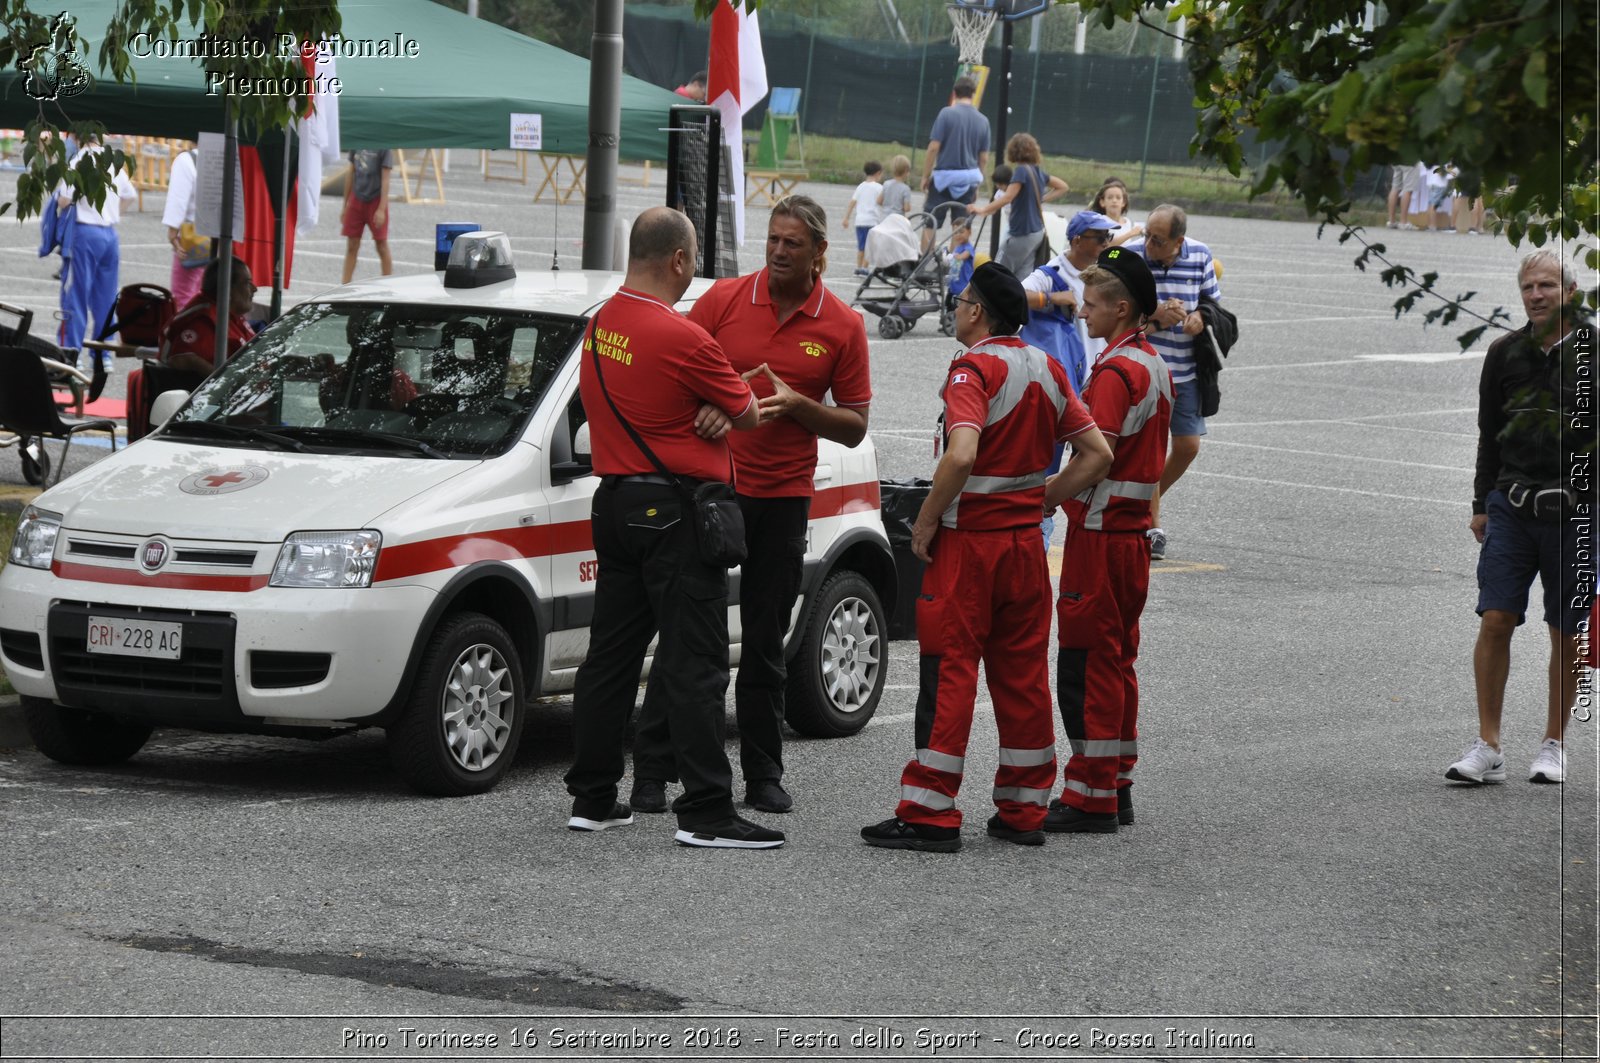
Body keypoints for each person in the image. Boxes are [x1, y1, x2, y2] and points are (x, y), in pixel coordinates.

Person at [632, 194, 872, 816]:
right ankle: (654, 772)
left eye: (793, 243)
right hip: (712, 493)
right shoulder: (725, 300)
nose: (779, 251)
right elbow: (669, 368)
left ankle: (764, 774)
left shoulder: (842, 326)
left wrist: (800, 407)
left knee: (766, 643)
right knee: (689, 640)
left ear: (820, 252)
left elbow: (854, 427)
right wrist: (711, 405)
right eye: (773, 239)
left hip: (783, 501)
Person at [860, 263, 1111, 853]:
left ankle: (930, 808)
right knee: (1023, 677)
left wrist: (925, 520)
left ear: (977, 313)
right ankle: (1024, 808)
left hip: (971, 548)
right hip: (1026, 545)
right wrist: (1038, 499)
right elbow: (1096, 453)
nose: (956, 306)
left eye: (961, 299)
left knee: (949, 670)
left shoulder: (973, 369)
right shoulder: (1048, 368)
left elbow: (962, 453)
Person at [563, 206, 783, 850]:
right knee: (696, 662)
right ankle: (709, 811)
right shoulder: (682, 335)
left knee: (610, 656)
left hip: (615, 502)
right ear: (680, 261)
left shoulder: (602, 323)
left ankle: (594, 796)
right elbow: (744, 414)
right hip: (676, 512)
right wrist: (722, 399)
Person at [1447, 249, 1587, 787]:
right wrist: (1482, 503)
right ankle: (1488, 745)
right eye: (1528, 286)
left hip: (1578, 514)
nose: (1536, 295)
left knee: (1566, 631)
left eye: (1547, 285)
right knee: (1496, 619)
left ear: (1569, 291)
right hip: (1512, 506)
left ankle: (1553, 744)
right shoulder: (1504, 353)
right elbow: (1490, 433)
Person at [1044, 246, 1171, 834]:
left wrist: (1042, 497)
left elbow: (1096, 457)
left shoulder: (1117, 373)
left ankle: (1090, 794)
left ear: (1122, 309)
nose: (1083, 313)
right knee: (1118, 660)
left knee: (1088, 661)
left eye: (1093, 304)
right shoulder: (1153, 363)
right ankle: (1115, 779)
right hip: (1131, 534)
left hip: (1098, 534)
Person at [1124, 204, 1221, 561]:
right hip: (1144, 368)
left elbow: (1213, 303)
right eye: (1147, 234)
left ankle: (1145, 499)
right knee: (1147, 450)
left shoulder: (1200, 254)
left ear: (1179, 241)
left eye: (1158, 240)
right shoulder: (1132, 257)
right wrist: (1158, 317)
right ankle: (1152, 525)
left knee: (1188, 446)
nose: (1149, 243)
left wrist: (1199, 316)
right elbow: (1117, 312)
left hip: (1186, 369)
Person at [55, 137, 136, 373]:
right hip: (109, 233)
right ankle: (103, 354)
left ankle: (72, 351)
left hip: (84, 231)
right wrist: (112, 214)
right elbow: (129, 195)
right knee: (106, 297)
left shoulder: (79, 160)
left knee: (76, 295)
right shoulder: (111, 159)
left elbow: (64, 199)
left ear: (76, 136)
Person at [1020, 208, 1120, 396]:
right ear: (1077, 241)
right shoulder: (1053, 272)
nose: (1106, 242)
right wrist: (1050, 298)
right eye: (1100, 238)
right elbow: (1017, 294)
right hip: (1070, 381)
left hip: (1099, 377)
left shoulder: (1106, 271)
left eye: (1108, 236)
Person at [966, 133, 1069, 277]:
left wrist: (983, 209)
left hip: (1021, 233)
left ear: (1013, 151)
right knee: (1022, 278)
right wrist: (1041, 199)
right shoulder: (1038, 172)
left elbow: (1008, 197)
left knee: (996, 273)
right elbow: (1063, 186)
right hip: (1036, 233)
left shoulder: (1021, 171)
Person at [920, 76, 991, 243]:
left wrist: (925, 175)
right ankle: (954, 264)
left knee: (931, 221)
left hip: (943, 178)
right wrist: (977, 183)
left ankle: (926, 262)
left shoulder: (946, 114)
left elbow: (933, 147)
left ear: (954, 93)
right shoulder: (983, 121)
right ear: (973, 94)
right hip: (968, 180)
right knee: (960, 225)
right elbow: (984, 158)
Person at [163, 257, 257, 374]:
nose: (254, 289)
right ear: (228, 288)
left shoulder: (229, 313)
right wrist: (224, 382)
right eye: (247, 283)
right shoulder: (203, 320)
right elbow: (180, 359)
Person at [161, 144, 207, 310]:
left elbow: (178, 199)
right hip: (216, 237)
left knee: (183, 295)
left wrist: (173, 233)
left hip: (192, 238)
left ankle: (185, 333)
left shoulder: (187, 160)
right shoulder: (222, 156)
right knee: (207, 295)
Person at [340, 148, 393, 284]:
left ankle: (388, 283)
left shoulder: (384, 149)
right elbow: (350, 173)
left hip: (376, 199)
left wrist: (381, 209)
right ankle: (345, 284)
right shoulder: (356, 145)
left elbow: (386, 179)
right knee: (352, 244)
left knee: (381, 244)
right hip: (357, 198)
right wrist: (345, 206)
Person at [841, 160, 885, 275]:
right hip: (873, 221)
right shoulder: (879, 188)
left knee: (861, 247)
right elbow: (882, 202)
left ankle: (858, 267)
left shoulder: (860, 186)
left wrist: (846, 218)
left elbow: (852, 202)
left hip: (860, 221)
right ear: (878, 173)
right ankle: (865, 268)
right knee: (871, 247)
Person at [1091, 177, 1142, 247]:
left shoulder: (1127, 222)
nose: (1114, 201)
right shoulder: (1102, 221)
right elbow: (1107, 244)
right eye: (1110, 197)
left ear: (1124, 202)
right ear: (1102, 202)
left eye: (1118, 198)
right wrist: (1131, 233)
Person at [947, 220, 975, 301]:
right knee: (949, 307)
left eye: (961, 232)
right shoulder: (958, 247)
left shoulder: (969, 248)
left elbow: (962, 256)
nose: (958, 235)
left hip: (964, 288)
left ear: (969, 232)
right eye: (955, 233)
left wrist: (950, 257)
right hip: (953, 287)